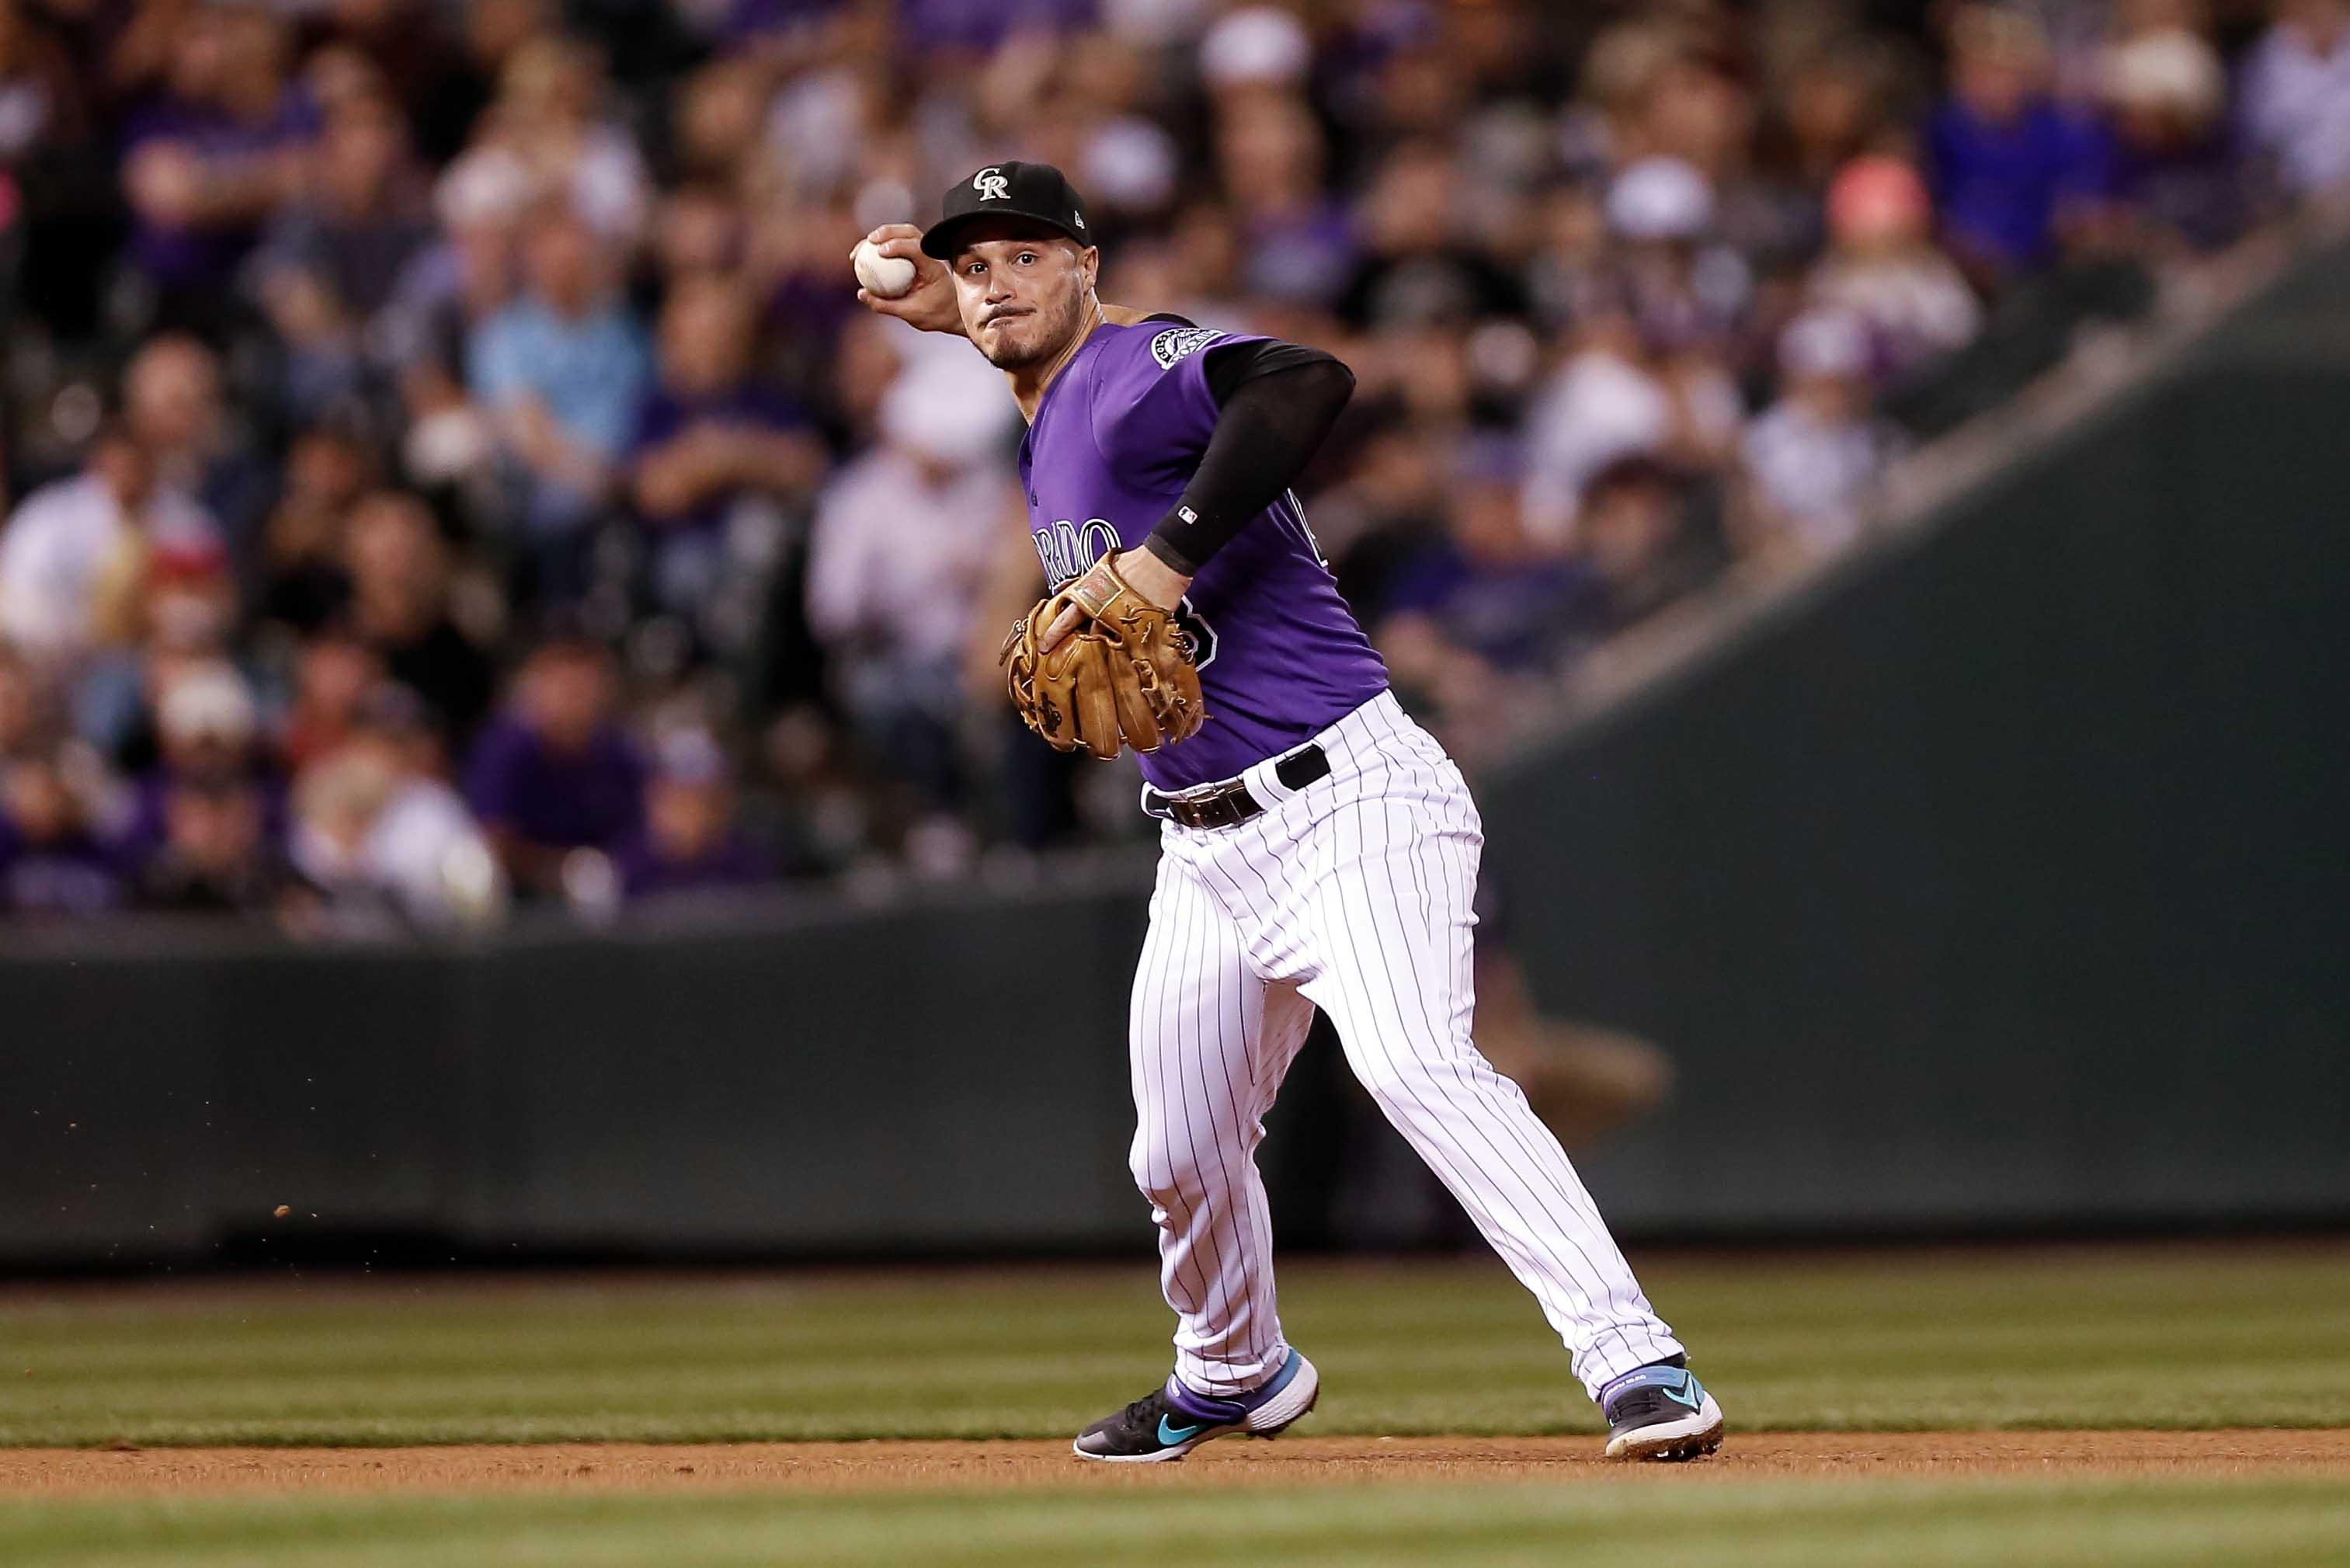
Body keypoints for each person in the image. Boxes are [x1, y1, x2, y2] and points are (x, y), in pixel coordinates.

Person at [853, 162, 1723, 1465]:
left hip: (1349, 798)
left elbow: (1307, 383)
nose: (996, 283)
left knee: (1418, 1068)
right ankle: (1233, 1370)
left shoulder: (1138, 357)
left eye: (1026, 257)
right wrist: (957, 314)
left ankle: (1636, 1361)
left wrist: (1167, 554)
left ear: (1087, 264)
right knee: (1177, 1152)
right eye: (976, 265)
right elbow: (1043, 367)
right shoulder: (1053, 404)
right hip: (1201, 846)